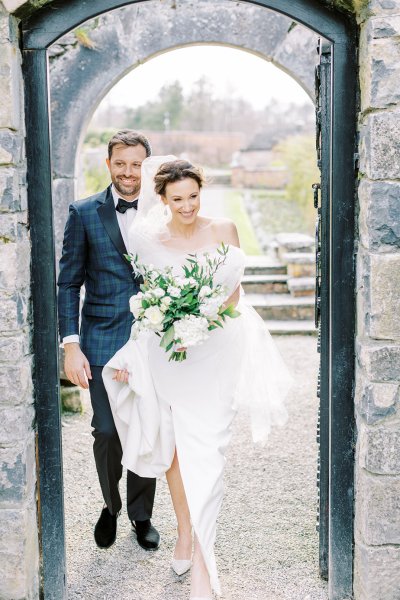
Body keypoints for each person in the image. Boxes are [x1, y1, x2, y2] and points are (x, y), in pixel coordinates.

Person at [102, 156, 291, 599]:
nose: (187, 205)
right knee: (174, 448)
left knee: (208, 446)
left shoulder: (224, 228)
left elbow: (234, 292)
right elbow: (150, 300)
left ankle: (205, 554)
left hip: (218, 347)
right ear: (163, 198)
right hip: (172, 353)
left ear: (200, 192)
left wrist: (201, 320)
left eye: (193, 196)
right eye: (178, 198)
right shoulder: (149, 238)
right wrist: (168, 328)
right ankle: (186, 533)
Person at [57, 130, 160, 552]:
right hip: (100, 341)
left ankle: (141, 517)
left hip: (152, 344)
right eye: (121, 163)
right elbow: (68, 283)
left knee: (146, 429)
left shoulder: (162, 212)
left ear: (146, 166)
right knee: (106, 431)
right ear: (108, 164)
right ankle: (110, 504)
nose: (129, 172)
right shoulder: (83, 213)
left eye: (137, 164)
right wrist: (70, 345)